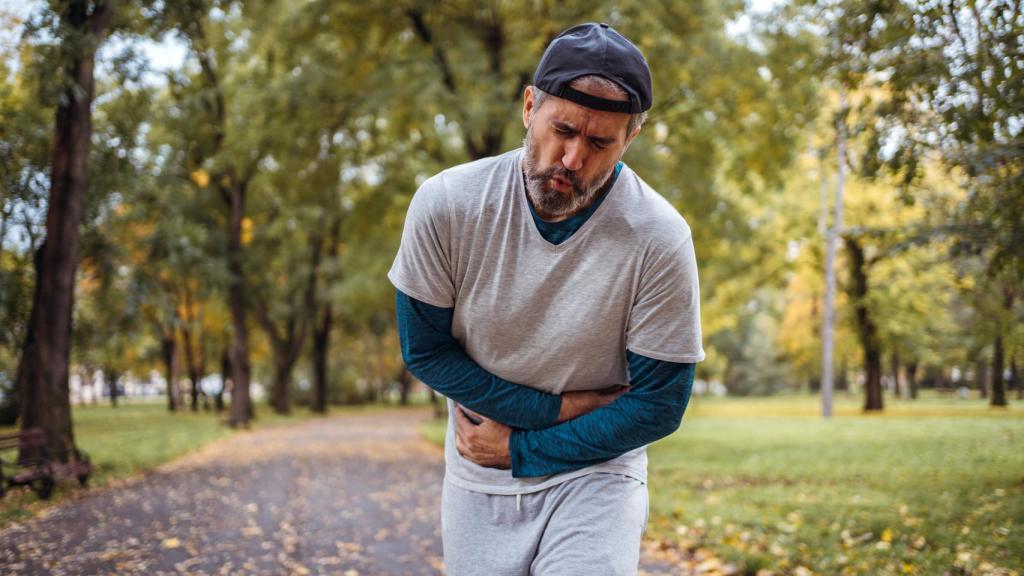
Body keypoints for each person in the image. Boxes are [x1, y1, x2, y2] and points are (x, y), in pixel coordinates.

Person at [389, 22, 704, 575]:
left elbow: (657, 403)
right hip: (478, 468)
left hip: (598, 470)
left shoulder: (658, 237)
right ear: (530, 106)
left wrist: (523, 448)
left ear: (630, 139)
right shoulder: (447, 204)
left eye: (600, 142)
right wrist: (556, 409)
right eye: (562, 130)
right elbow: (426, 352)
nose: (573, 158)